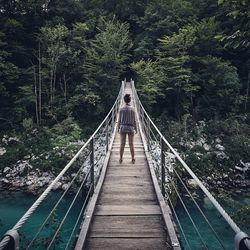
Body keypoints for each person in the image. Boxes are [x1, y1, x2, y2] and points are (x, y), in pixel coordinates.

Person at [117, 93, 137, 164]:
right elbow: (134, 120)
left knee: (122, 144)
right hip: (130, 127)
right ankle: (133, 158)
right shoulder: (133, 109)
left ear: (124, 100)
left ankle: (121, 158)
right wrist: (136, 128)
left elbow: (119, 120)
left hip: (123, 127)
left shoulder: (121, 109)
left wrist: (118, 128)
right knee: (131, 144)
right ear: (130, 100)